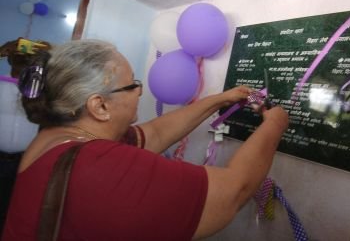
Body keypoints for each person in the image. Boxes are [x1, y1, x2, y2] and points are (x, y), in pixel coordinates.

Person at [2, 39, 288, 241]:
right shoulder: (97, 167)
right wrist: (275, 124)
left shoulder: (58, 137)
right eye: (132, 84)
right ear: (99, 106)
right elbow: (235, 191)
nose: (140, 91)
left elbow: (155, 133)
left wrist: (220, 99)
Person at [0, 38, 52, 236]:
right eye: (19, 58)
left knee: (15, 211)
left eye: (28, 59)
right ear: (10, 60)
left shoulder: (40, 93)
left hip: (26, 161)